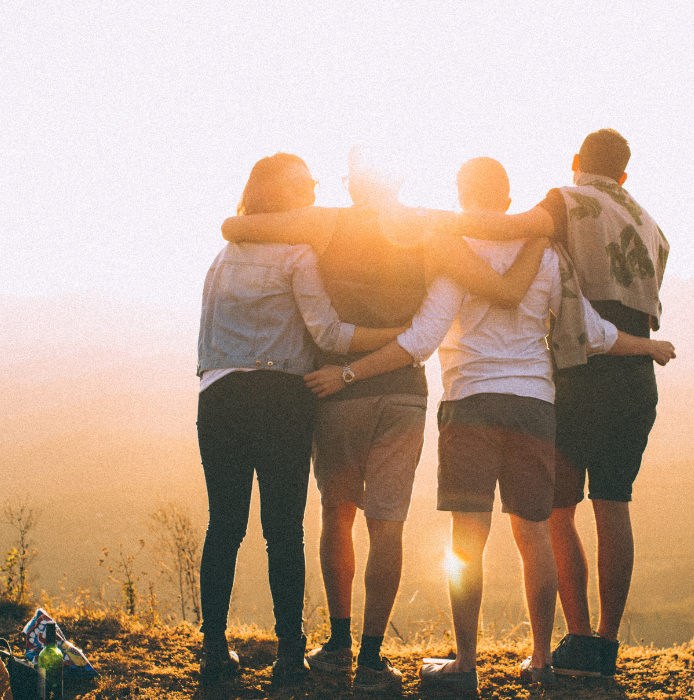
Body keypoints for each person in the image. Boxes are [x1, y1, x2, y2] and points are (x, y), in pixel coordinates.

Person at [304, 157, 674, 693]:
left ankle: (466, 662)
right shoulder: (546, 255)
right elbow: (593, 332)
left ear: (461, 194)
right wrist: (650, 347)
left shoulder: (454, 253)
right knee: (534, 537)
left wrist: (349, 372)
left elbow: (422, 340)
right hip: (534, 407)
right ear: (507, 200)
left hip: (469, 404)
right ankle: (542, 660)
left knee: (467, 542)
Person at [220, 146, 548, 693]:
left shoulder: (324, 224)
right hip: (402, 394)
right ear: (399, 180)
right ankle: (373, 656)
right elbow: (502, 290)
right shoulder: (428, 232)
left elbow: (236, 228)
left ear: (352, 185)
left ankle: (339, 642)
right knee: (387, 523)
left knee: (337, 513)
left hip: (337, 389)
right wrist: (539, 234)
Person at [436, 131, 671, 678]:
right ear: (625, 175)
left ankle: (576, 638)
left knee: (555, 513)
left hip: (580, 369)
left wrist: (429, 222)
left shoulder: (566, 201)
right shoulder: (653, 226)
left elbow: (510, 229)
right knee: (614, 505)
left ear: (575, 162)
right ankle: (604, 648)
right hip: (634, 373)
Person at [195, 153, 406, 688]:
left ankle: (214, 650)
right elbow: (330, 336)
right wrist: (395, 337)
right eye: (304, 184)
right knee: (282, 530)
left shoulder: (223, 256)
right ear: (279, 195)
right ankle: (289, 654)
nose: (313, 191)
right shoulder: (297, 254)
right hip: (281, 399)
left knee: (224, 525)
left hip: (218, 396)